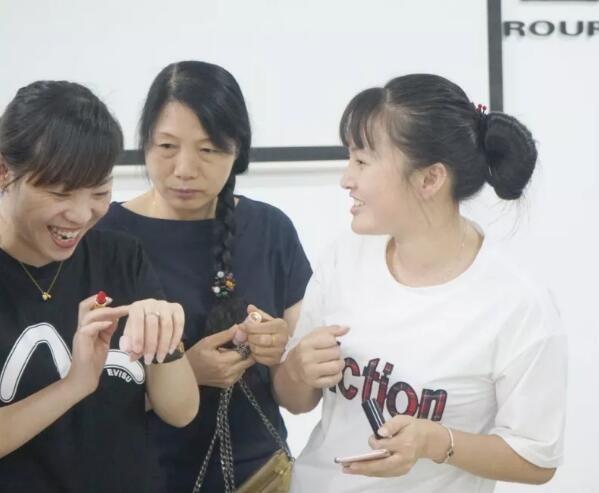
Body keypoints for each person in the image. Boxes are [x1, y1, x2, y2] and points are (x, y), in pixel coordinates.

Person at [273, 74, 566, 493]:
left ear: (430, 179)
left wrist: (435, 442)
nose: (346, 179)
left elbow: (537, 460)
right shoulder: (345, 256)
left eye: (362, 162)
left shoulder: (517, 303)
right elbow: (295, 401)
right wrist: (297, 369)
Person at [97, 61, 312, 492]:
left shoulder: (271, 230)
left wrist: (281, 352)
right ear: (144, 143)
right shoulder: (104, 237)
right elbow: (79, 402)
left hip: (258, 477)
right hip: (141, 477)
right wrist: (185, 374)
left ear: (237, 151)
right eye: (167, 146)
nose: (184, 169)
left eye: (209, 150)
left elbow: (300, 399)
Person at [0, 80, 199, 493]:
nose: (80, 214)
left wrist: (166, 338)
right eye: (60, 192)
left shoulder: (121, 257)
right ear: (5, 172)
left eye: (100, 191)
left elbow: (181, 412)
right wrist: (75, 384)